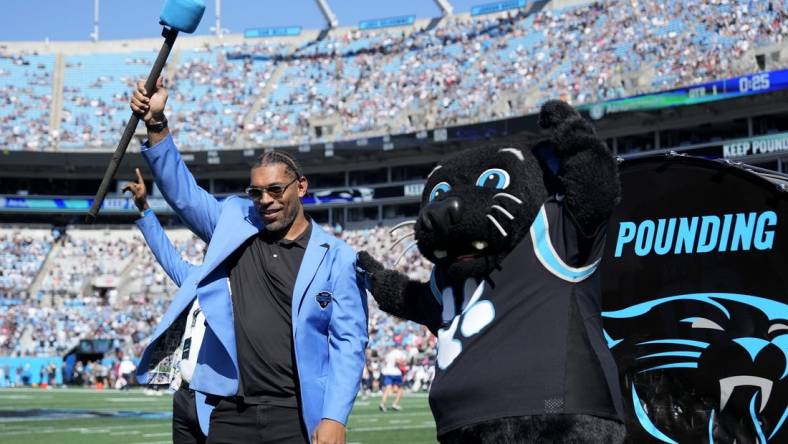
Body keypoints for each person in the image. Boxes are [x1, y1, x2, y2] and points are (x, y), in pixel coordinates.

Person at [130, 77, 369, 444]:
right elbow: (184, 195)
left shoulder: (338, 258)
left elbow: (348, 342)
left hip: (296, 412)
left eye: (276, 190)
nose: (266, 200)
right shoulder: (234, 222)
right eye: (256, 192)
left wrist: (335, 416)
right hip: (230, 409)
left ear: (300, 187)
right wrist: (157, 124)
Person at [124, 168, 207, 444]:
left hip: (220, 399)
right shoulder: (196, 278)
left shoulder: (245, 285)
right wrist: (144, 208)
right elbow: (166, 254)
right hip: (184, 395)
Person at [379, 346, 406, 412]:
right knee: (401, 389)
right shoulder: (398, 352)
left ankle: (382, 403)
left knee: (388, 388)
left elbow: (385, 363)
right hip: (396, 373)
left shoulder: (389, 354)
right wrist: (403, 362)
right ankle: (395, 404)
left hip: (387, 372)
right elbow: (398, 361)